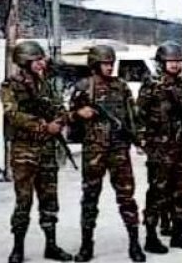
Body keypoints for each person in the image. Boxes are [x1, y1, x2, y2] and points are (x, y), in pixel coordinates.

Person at [70, 45, 145, 262]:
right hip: (94, 150)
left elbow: (133, 115)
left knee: (126, 197)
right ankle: (86, 245)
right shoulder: (84, 87)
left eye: (111, 63)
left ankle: (134, 243)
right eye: (105, 63)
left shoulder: (121, 86)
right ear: (94, 64)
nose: (110, 67)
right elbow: (68, 118)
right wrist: (78, 114)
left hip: (119, 149)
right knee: (90, 198)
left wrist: (138, 138)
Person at [0, 41, 73, 263]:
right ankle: (18, 248)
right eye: (37, 60)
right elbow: (13, 114)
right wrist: (43, 126)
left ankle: (51, 245)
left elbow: (60, 108)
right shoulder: (11, 85)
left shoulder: (47, 85)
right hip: (24, 150)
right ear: (25, 61)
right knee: (24, 200)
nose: (42, 63)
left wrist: (60, 120)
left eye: (42, 59)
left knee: (49, 199)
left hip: (47, 149)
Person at [137, 41, 182, 253]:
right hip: (160, 147)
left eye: (177, 61)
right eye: (170, 61)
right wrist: (142, 141)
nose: (175, 65)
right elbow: (139, 115)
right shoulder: (152, 84)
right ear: (161, 63)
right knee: (158, 192)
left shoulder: (180, 85)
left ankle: (177, 232)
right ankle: (151, 235)